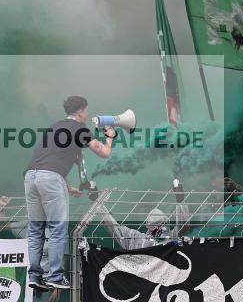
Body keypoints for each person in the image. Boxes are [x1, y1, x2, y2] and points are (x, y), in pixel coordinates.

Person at [24, 96, 114, 290]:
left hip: (31, 178)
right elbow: (104, 152)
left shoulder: (54, 127)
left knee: (36, 230)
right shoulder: (79, 129)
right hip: (50, 179)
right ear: (80, 111)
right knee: (57, 228)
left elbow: (47, 160)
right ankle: (55, 276)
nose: (87, 114)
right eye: (87, 111)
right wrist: (110, 138)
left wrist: (67, 186)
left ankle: (34, 276)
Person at [93, 181, 191, 249]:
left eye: (165, 224)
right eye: (159, 226)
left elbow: (183, 226)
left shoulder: (172, 239)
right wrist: (97, 203)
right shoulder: (137, 240)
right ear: (150, 227)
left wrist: (180, 201)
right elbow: (115, 228)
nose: (163, 228)